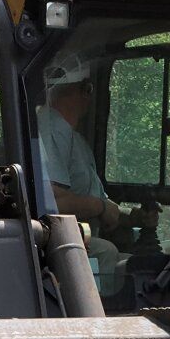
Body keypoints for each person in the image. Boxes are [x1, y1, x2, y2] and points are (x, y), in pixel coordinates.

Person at [36, 59, 139, 295]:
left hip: (84, 235)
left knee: (135, 264)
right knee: (108, 253)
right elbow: (54, 203)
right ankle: (99, 313)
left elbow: (99, 201)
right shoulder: (51, 130)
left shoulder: (75, 140)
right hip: (56, 241)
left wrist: (134, 217)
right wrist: (100, 207)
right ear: (86, 90)